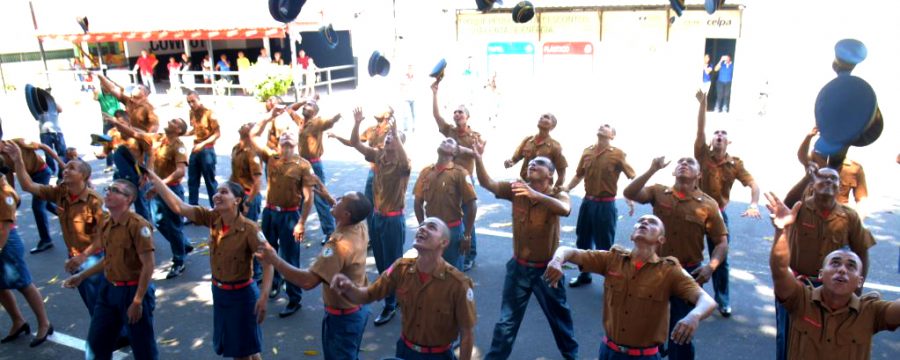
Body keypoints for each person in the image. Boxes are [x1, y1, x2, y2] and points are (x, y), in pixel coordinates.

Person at [543, 215, 718, 360]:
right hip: (608, 352)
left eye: (652, 222)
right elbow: (569, 251)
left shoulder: (670, 271)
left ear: (661, 240)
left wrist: (694, 316)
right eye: (641, 221)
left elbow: (707, 301)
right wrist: (557, 260)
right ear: (632, 235)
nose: (644, 223)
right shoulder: (612, 259)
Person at [146, 169, 274, 360]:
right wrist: (155, 179)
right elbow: (179, 207)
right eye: (216, 192)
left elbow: (269, 264)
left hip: (241, 296)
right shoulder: (213, 219)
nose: (217, 195)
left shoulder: (250, 229)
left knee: (242, 351)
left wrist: (263, 297)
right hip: (220, 292)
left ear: (237, 200)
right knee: (245, 348)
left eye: (224, 192)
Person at [473, 143, 579, 360]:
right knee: (506, 322)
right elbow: (488, 183)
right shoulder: (517, 189)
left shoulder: (559, 194)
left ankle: (572, 356)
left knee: (560, 319)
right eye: (530, 162)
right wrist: (478, 159)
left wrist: (534, 195)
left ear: (550, 174)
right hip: (519, 268)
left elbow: (565, 210)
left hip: (547, 271)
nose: (532, 164)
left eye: (538, 163)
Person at [764, 191, 897, 360]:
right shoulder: (801, 300)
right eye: (835, 263)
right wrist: (781, 231)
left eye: (851, 266)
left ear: (860, 281)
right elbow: (780, 270)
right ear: (821, 274)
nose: (842, 269)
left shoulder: (871, 312)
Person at [623, 156, 728, 360]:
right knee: (647, 322)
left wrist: (710, 268)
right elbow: (630, 193)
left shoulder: (708, 204)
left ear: (699, 175)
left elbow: (721, 243)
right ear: (673, 171)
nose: (684, 164)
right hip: (654, 268)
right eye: (681, 162)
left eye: (690, 163)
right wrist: (652, 169)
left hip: (687, 273)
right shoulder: (658, 192)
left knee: (681, 330)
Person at [331, 217, 477, 360]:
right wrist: (349, 288)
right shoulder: (400, 268)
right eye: (421, 225)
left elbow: (467, 333)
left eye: (431, 227)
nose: (422, 228)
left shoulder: (458, 284)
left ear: (444, 242)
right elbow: (368, 295)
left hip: (438, 355)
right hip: (405, 351)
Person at [771, 166, 874, 360]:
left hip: (831, 289)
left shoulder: (849, 217)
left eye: (834, 179)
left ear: (839, 187)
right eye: (823, 178)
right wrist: (805, 177)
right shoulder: (799, 209)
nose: (829, 181)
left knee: (821, 337)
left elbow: (862, 252)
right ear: (813, 184)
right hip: (797, 287)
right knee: (787, 334)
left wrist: (857, 289)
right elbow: (787, 203)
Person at [256, 191, 372, 359]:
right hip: (358, 308)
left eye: (340, 200)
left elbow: (308, 281)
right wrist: (323, 191)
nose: (336, 199)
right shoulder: (359, 224)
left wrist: (274, 259)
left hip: (343, 319)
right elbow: (344, 211)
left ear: (346, 215)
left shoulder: (338, 246)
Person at [3, 142, 104, 319]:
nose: (65, 170)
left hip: (93, 257)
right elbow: (29, 186)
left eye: (71, 168)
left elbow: (105, 235)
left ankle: (115, 336)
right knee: (91, 301)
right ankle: (111, 337)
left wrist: (83, 256)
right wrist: (18, 160)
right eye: (66, 167)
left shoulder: (95, 201)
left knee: (102, 301)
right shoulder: (61, 192)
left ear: (84, 176)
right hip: (75, 257)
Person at [62, 179, 158, 359]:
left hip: (132, 291)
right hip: (108, 289)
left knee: (143, 349)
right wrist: (82, 276)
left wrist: (137, 301)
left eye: (115, 190)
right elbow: (110, 259)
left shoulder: (138, 226)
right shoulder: (107, 223)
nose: (108, 193)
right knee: (96, 346)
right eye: (108, 189)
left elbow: (148, 265)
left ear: (128, 199)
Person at [693, 90, 761, 317]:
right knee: (688, 255)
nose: (719, 136)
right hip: (694, 210)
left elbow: (753, 184)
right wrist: (703, 104)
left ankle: (722, 299)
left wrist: (753, 204)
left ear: (728, 141)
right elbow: (700, 129)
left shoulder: (735, 164)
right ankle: (689, 294)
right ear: (712, 140)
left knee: (719, 258)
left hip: (718, 215)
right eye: (716, 133)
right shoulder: (702, 154)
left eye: (723, 133)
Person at [247, 111, 318, 317]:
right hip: (270, 213)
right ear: (278, 143)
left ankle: (294, 298)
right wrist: (268, 117)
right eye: (282, 141)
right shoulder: (271, 158)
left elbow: (308, 197)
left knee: (290, 256)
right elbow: (252, 136)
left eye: (290, 142)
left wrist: (302, 223)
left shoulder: (303, 166)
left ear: (295, 145)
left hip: (289, 215)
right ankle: (274, 283)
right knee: (269, 251)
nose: (286, 143)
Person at [109, 116, 192, 279]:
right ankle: (183, 244)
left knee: (173, 225)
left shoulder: (179, 146)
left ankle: (179, 261)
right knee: (158, 221)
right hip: (157, 188)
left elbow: (180, 171)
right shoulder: (160, 138)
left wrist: (160, 184)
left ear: (179, 130)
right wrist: (117, 123)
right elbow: (135, 134)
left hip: (171, 189)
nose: (170, 121)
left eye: (175, 122)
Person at [349, 107, 410, 326]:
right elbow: (355, 143)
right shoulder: (379, 157)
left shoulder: (403, 164)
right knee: (383, 262)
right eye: (387, 136)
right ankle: (395, 297)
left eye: (391, 138)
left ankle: (391, 303)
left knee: (392, 263)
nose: (387, 139)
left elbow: (405, 158)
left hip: (393, 219)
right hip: (377, 217)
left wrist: (398, 135)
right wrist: (356, 123)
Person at [563, 124, 636, 288]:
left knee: (605, 245)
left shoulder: (617, 154)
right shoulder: (587, 151)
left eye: (607, 126)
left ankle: (610, 280)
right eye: (601, 125)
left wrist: (630, 197)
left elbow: (632, 176)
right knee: (582, 240)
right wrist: (566, 189)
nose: (602, 127)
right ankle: (585, 273)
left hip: (605, 205)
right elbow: (578, 175)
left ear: (612, 135)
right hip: (588, 203)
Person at [431, 78, 483, 271]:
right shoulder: (450, 130)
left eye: (460, 112)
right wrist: (435, 93)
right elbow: (436, 115)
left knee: (468, 216)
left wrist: (458, 148)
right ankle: (451, 249)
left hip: (466, 180)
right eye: (455, 112)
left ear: (467, 117)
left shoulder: (474, 136)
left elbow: (478, 155)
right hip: (449, 179)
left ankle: (470, 253)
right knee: (453, 216)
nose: (457, 114)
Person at [0, 167, 53, 348]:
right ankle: (18, 321)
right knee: (0, 286)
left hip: (5, 243)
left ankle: (44, 323)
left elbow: (4, 228)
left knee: (23, 283)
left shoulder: (5, 192)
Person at [413, 137, 477, 270]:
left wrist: (467, 235)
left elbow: (471, 205)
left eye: (450, 142)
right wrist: (422, 225)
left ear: (454, 153)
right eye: (444, 140)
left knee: (452, 272)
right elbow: (417, 202)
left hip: (452, 230)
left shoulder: (460, 173)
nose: (445, 141)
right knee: (430, 269)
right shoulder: (426, 172)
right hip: (431, 229)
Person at [0, 138, 64, 254]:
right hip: (29, 178)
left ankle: (46, 240)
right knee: (47, 204)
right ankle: (69, 216)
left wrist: (61, 163)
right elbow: (9, 176)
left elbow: (44, 146)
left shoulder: (18, 142)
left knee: (38, 207)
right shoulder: (2, 158)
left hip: (42, 172)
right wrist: (12, 197)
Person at [795, 127, 869, 218]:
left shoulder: (855, 169)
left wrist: (858, 220)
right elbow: (803, 158)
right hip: (811, 215)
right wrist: (808, 137)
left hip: (838, 220)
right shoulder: (817, 158)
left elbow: (862, 200)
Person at [296, 100, 340, 245]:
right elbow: (289, 109)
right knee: (298, 197)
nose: (305, 107)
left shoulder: (317, 122)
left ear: (315, 111)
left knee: (320, 198)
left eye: (309, 105)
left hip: (313, 164)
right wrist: (303, 100)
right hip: (301, 163)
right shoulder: (302, 122)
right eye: (305, 105)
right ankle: (295, 226)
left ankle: (330, 232)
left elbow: (330, 122)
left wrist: (336, 117)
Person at [504, 113, 568, 188]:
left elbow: (562, 175)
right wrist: (510, 163)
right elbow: (514, 159)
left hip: (542, 188)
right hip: (524, 184)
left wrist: (554, 191)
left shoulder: (555, 146)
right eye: (541, 117)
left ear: (552, 126)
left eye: (546, 117)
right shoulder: (528, 140)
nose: (541, 118)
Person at [185, 91, 220, 208]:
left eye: (193, 101)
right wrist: (182, 133)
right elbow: (195, 129)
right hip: (196, 149)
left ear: (199, 99)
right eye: (188, 102)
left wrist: (203, 144)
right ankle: (192, 208)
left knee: (210, 181)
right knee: (192, 180)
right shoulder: (192, 113)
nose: (191, 104)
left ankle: (216, 209)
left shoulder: (209, 113)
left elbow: (217, 133)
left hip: (207, 149)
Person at [231, 122, 264, 222]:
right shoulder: (236, 148)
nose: (244, 124)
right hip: (237, 194)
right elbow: (234, 174)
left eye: (249, 125)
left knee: (248, 230)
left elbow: (257, 182)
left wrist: (248, 203)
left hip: (249, 196)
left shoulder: (252, 152)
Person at [33, 89, 68, 180]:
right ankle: (52, 170)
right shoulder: (38, 105)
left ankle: (62, 171)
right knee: (48, 153)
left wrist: (51, 100)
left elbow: (61, 109)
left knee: (62, 152)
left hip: (57, 131)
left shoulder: (53, 106)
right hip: (44, 132)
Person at [93, 87, 122, 171]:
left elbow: (121, 91)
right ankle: (109, 165)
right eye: (102, 84)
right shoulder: (101, 95)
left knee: (119, 143)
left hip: (117, 120)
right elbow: (94, 98)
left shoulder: (114, 94)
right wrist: (95, 90)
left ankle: (120, 163)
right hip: (107, 122)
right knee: (106, 143)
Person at [398, 64, 417, 133]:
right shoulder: (404, 77)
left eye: (411, 68)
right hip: (406, 98)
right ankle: (405, 128)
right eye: (409, 68)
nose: (410, 70)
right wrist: (403, 93)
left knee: (414, 114)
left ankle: (414, 126)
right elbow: (401, 86)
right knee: (405, 114)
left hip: (414, 98)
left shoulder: (415, 77)